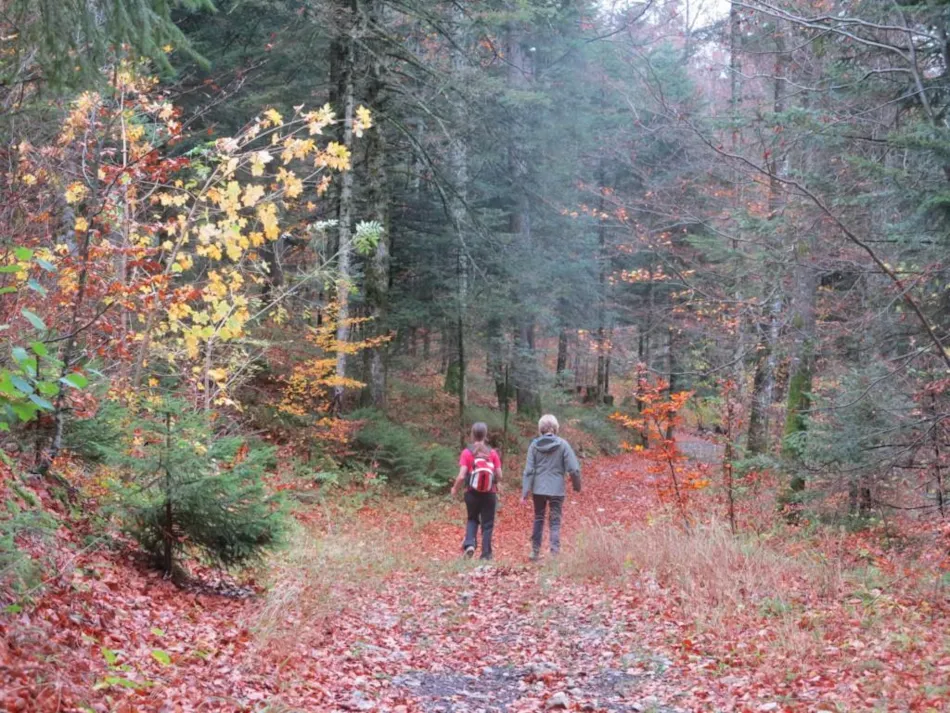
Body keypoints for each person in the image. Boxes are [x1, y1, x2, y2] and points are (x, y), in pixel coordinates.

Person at [521, 414, 581, 560]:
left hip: (538, 489)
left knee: (538, 518)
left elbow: (529, 471)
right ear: (555, 428)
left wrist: (525, 492)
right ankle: (554, 554)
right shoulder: (563, 445)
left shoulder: (534, 446)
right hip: (557, 490)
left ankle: (534, 552)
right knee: (554, 521)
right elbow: (574, 469)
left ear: (540, 428)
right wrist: (576, 485)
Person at [450, 422, 502, 560]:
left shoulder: (467, 453)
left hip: (471, 493)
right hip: (490, 493)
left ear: (472, 434)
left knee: (472, 519)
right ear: (486, 435)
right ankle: (486, 555)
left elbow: (462, 475)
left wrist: (455, 488)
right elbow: (500, 475)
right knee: (488, 524)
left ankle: (469, 545)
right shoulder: (492, 453)